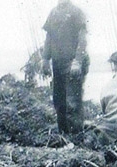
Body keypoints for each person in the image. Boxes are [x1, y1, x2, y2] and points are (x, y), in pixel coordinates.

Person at [41, 0, 89, 134]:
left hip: (72, 64)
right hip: (58, 63)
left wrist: (77, 61)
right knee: (59, 102)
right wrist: (45, 59)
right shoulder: (53, 13)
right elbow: (48, 37)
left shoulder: (76, 12)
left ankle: (77, 139)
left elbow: (82, 39)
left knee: (72, 103)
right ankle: (64, 137)